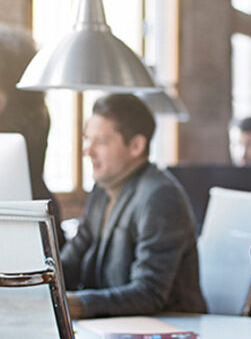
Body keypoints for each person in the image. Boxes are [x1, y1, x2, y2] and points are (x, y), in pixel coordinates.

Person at [61, 94, 206, 318]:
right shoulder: (103, 190)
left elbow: (149, 293)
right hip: (116, 325)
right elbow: (73, 258)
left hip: (168, 326)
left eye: (100, 142)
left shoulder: (160, 197)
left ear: (136, 145)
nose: (87, 151)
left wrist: (79, 304)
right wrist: (34, 284)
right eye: (87, 139)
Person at [0, 21, 64, 247]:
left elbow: (28, 179)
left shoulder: (33, 120)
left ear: (14, 88)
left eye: (0, 85)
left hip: (29, 221)